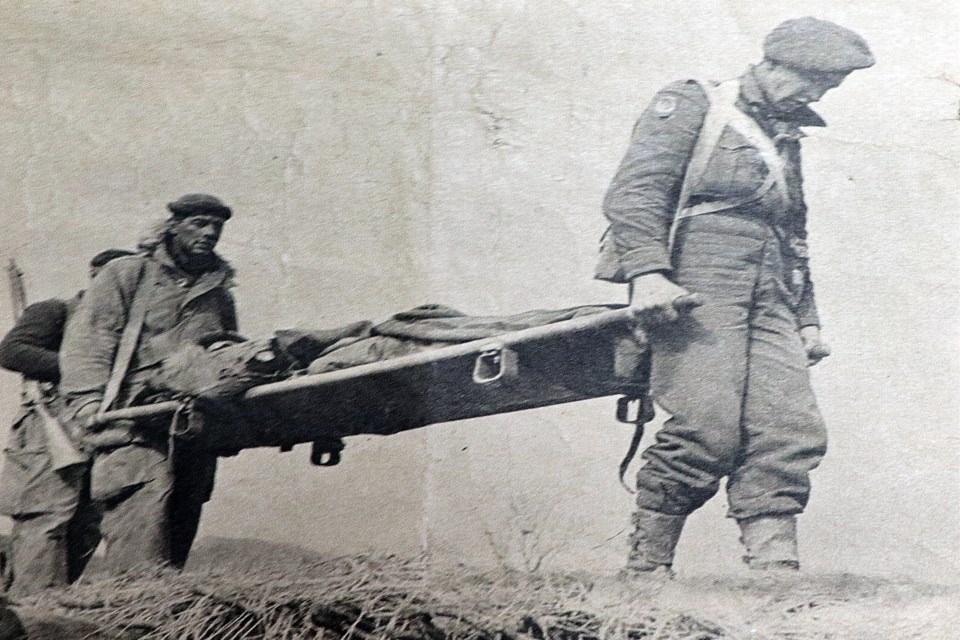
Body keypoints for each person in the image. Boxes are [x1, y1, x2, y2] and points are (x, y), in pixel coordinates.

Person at [596, 17, 874, 574]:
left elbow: (793, 231)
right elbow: (637, 191)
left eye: (829, 87)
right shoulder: (697, 103)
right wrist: (648, 273)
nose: (815, 95)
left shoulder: (785, 132)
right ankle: (646, 571)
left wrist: (808, 319)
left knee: (788, 427)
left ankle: (774, 574)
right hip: (697, 280)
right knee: (707, 427)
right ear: (771, 64)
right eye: (809, 80)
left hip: (771, 290)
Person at [60, 194, 238, 573]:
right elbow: (90, 339)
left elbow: (228, 359)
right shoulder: (127, 274)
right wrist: (87, 402)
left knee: (181, 523)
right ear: (172, 225)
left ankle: (161, 614)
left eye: (217, 227)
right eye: (199, 223)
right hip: (133, 422)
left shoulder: (218, 292)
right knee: (140, 522)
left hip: (194, 424)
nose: (210, 233)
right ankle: (131, 613)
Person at [0, 249, 132, 596]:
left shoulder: (126, 331)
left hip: (99, 429)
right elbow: (12, 351)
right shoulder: (57, 311)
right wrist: (84, 367)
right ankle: (30, 606)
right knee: (46, 515)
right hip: (49, 427)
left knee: (89, 523)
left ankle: (55, 605)